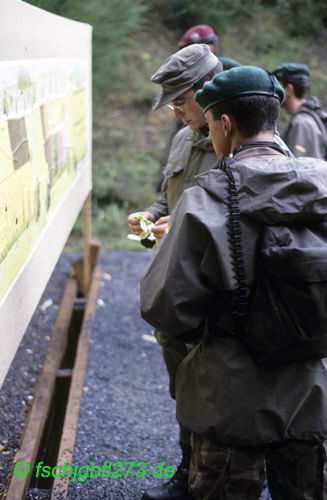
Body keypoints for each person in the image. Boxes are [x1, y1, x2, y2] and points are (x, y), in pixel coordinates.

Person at [141, 66, 327, 499]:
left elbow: (166, 307)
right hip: (310, 394)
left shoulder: (205, 198)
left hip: (228, 398)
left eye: (209, 124)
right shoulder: (321, 182)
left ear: (224, 124)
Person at [129, 44, 223, 500]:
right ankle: (188, 470)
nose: (175, 114)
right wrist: (148, 221)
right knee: (184, 390)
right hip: (177, 295)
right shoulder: (185, 138)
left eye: (180, 102)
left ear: (206, 91)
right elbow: (168, 201)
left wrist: (180, 230)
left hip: (214, 295)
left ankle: (209, 480)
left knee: (217, 395)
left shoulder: (240, 143)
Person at [272, 62, 326, 159]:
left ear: (289, 89)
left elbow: (299, 170)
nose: (275, 92)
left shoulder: (301, 123)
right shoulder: (314, 115)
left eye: (278, 87)